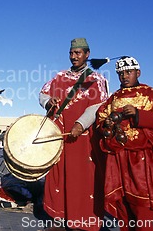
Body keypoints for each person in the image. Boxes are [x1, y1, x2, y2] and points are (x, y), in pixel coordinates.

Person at [39, 38, 109, 231]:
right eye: (71, 53)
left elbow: (98, 106)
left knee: (81, 178)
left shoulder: (96, 79)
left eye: (78, 53)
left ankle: (81, 220)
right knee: (57, 176)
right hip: (59, 135)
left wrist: (81, 123)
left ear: (87, 54)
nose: (74, 56)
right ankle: (58, 218)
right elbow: (42, 93)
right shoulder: (59, 76)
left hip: (81, 137)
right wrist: (48, 101)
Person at [96, 56, 153, 231]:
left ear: (138, 72)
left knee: (143, 206)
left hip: (143, 160)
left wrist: (138, 114)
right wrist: (106, 124)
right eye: (120, 73)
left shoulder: (151, 94)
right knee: (123, 204)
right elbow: (101, 118)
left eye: (128, 72)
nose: (124, 76)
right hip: (119, 157)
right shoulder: (113, 98)